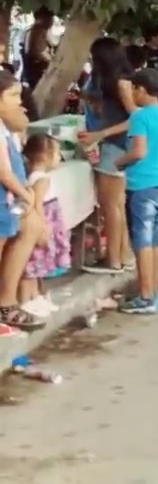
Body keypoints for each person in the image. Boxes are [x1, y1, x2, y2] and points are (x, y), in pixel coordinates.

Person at [114, 69, 158, 315]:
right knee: (156, 240)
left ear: (141, 89)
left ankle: (145, 296)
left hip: (142, 183)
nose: (131, 94)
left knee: (141, 242)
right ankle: (153, 291)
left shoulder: (141, 117)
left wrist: (119, 162)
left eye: (133, 89)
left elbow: (138, 151)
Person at [77, 37, 137, 275]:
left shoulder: (121, 83)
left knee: (110, 204)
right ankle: (122, 255)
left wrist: (101, 134)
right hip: (105, 143)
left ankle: (113, 259)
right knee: (116, 205)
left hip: (114, 145)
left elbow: (135, 118)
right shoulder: (102, 79)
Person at [0, 71, 44, 332]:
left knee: (30, 229)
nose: (20, 101)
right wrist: (26, 194)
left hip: (9, 201)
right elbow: (3, 171)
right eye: (13, 95)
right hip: (6, 199)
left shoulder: (7, 127)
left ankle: (6, 303)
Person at [15, 134, 70, 320]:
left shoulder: (32, 176)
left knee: (34, 268)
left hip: (41, 223)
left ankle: (34, 299)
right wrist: (42, 227)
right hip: (42, 223)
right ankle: (26, 302)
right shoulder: (42, 179)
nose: (59, 157)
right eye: (57, 153)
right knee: (31, 268)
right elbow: (37, 204)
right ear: (45, 156)